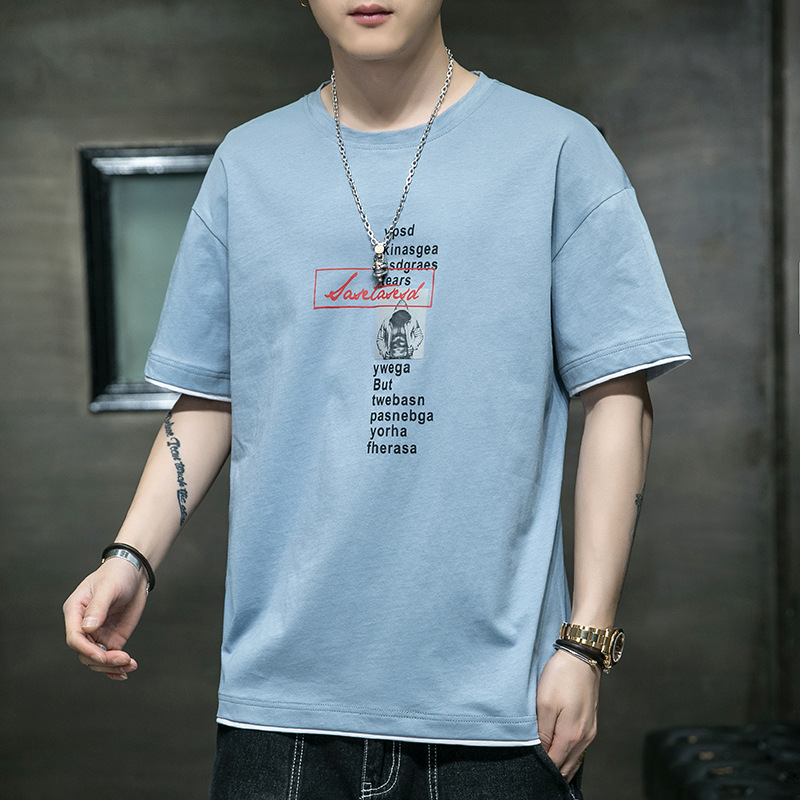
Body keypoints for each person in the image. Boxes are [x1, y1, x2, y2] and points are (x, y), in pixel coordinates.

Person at [63, 2, 690, 798]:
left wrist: (586, 644)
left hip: (500, 712)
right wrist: (129, 558)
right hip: (282, 710)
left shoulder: (558, 150)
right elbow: (212, 397)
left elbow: (618, 398)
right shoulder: (248, 164)